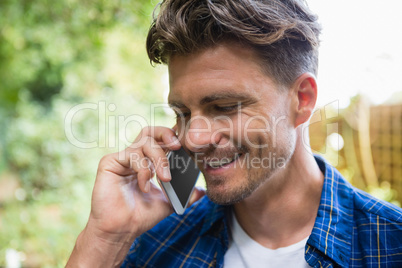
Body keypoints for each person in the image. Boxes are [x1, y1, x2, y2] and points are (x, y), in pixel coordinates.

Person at [67, 0, 402, 267]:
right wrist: (105, 238)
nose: (194, 138)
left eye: (225, 107)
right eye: (182, 113)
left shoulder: (391, 244)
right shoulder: (154, 244)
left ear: (302, 100)